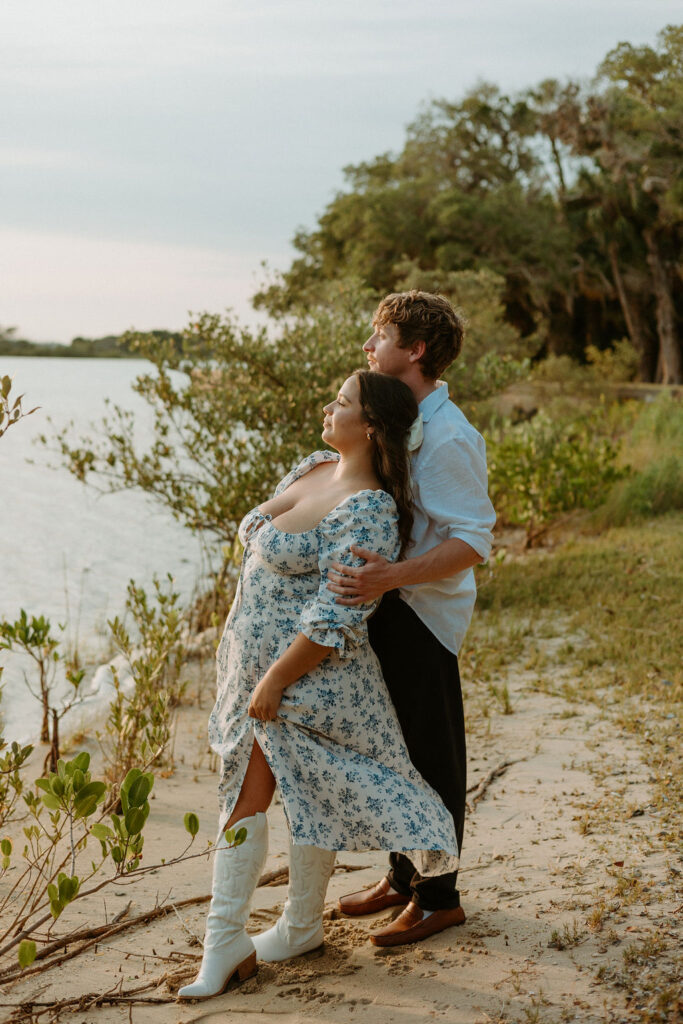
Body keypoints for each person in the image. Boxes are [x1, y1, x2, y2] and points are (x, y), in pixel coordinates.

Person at [178, 369, 459, 1002]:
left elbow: (336, 615)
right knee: (308, 798)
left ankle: (222, 945)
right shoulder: (312, 468)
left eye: (342, 403)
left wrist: (276, 678)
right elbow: (258, 534)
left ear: (371, 427)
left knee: (247, 800)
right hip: (249, 663)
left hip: (307, 680)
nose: (329, 409)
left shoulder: (369, 509)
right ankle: (301, 926)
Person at [331, 291, 496, 947]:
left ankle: (439, 899)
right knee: (388, 751)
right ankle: (401, 877)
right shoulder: (401, 417)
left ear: (415, 349)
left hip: (422, 613)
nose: (369, 347)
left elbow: (473, 540)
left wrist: (389, 577)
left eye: (380, 336)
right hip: (387, 607)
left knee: (429, 757)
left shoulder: (449, 436)